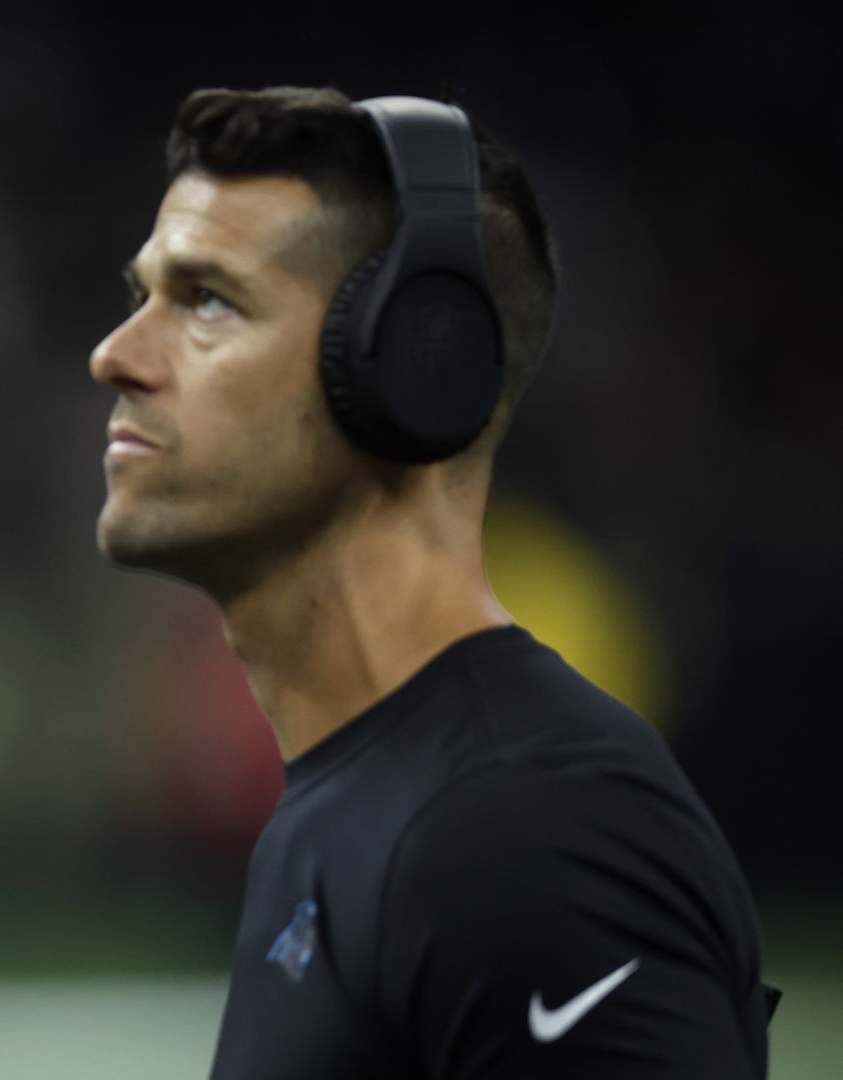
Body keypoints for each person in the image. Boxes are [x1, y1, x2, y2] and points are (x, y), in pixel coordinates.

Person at [90, 87, 774, 1077]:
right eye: (139, 296)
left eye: (206, 300)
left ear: (411, 366)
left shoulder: (529, 833)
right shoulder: (362, 805)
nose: (115, 354)